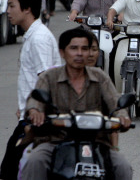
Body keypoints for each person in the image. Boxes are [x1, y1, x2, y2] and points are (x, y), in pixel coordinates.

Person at [21, 28, 132, 180]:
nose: (79, 53)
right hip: (55, 141)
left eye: (84, 49)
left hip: (96, 143)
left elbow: (115, 101)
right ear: (62, 52)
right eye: (74, 48)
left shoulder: (100, 77)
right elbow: (35, 101)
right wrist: (35, 111)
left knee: (122, 167)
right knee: (35, 161)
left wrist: (122, 116)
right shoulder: (49, 77)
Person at [0, 0, 61, 180]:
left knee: (10, 170)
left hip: (37, 119)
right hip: (31, 115)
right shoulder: (33, 36)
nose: (7, 11)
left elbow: (47, 79)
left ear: (27, 8)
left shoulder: (39, 39)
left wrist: (35, 110)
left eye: (11, 6)